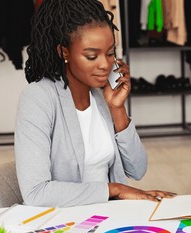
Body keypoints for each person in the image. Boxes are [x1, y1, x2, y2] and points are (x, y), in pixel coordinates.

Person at [15, 0, 175, 207]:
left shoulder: (100, 97)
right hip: (66, 223)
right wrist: (115, 190)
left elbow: (137, 169)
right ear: (64, 52)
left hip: (107, 216)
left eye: (110, 53)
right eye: (91, 56)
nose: (104, 65)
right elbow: (36, 193)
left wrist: (117, 109)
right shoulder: (38, 98)